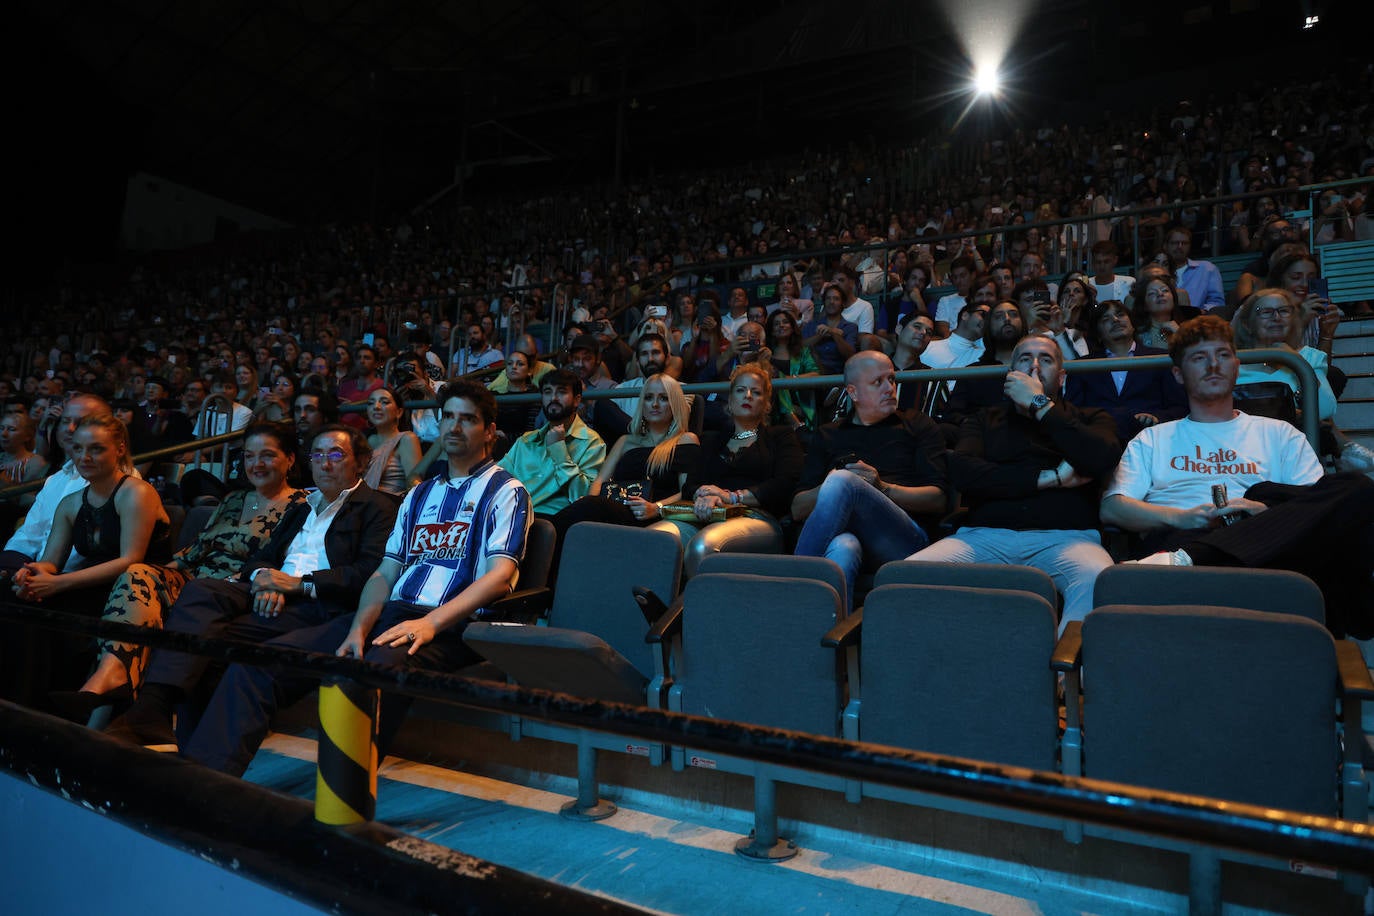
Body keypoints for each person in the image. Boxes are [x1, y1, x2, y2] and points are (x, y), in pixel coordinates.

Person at [181, 381, 531, 776]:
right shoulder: (419, 496)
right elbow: (385, 573)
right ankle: (202, 778)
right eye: (448, 416)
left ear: (489, 431)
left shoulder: (507, 491)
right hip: (392, 615)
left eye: (467, 419)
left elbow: (500, 577)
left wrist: (428, 624)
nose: (454, 427)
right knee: (258, 664)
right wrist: (356, 629)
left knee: (367, 677)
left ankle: (339, 811)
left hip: (453, 626)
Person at [104, 425, 398, 749]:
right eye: (317, 455)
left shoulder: (379, 506)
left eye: (336, 455)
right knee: (203, 590)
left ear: (361, 463)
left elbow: (368, 572)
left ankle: (179, 741)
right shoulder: (304, 507)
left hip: (315, 601)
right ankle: (155, 711)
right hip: (269, 594)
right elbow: (262, 558)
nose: (324, 463)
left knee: (209, 645)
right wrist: (264, 579)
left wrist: (297, 585)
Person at [1100, 316, 1374, 639]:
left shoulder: (1280, 433)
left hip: (1265, 550)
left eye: (1223, 355)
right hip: (1182, 538)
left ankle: (1191, 560)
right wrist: (1186, 518)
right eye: (1199, 358)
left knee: (1350, 488)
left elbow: (1313, 509)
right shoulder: (1153, 439)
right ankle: (1191, 555)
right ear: (1177, 374)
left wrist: (1266, 515)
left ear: (1237, 365)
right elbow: (1113, 509)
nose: (1213, 365)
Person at [49, 422, 308, 721]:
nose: (256, 464)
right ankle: (109, 684)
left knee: (140, 598)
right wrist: (152, 579)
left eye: (267, 456)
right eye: (249, 456)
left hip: (231, 592)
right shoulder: (233, 499)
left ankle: (100, 705)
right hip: (194, 581)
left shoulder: (301, 505)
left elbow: (291, 562)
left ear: (289, 459)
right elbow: (193, 552)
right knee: (137, 577)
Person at [907, 336, 1122, 631]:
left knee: (1099, 582)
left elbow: (1102, 457)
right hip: (984, 536)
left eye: (1045, 360)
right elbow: (965, 473)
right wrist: (1049, 479)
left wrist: (1040, 405)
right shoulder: (983, 419)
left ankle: (1064, 677)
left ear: (1061, 377)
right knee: (906, 576)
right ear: (1011, 374)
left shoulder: (1089, 418)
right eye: (1025, 359)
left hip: (1066, 537)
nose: (1034, 365)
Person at [791, 352, 948, 610]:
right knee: (844, 546)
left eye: (892, 380)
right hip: (844, 533)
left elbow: (938, 499)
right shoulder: (829, 434)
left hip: (904, 540)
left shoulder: (918, 425)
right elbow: (798, 508)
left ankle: (791, 590)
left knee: (844, 482)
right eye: (878, 382)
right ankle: (828, 639)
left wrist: (881, 487)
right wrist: (832, 485)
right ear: (853, 392)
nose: (890, 389)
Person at [12, 414, 170, 621]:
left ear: (120, 449)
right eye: (77, 448)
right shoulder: (70, 503)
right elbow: (51, 562)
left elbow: (130, 560)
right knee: (18, 599)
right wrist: (32, 574)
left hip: (140, 589)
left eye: (96, 449)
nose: (84, 457)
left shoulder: (136, 492)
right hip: (91, 586)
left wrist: (58, 583)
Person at [652, 366, 803, 577]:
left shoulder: (781, 436)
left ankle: (703, 609)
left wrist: (730, 497)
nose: (748, 395)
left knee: (703, 546)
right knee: (656, 538)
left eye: (756, 392)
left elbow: (785, 484)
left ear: (766, 404)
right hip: (706, 515)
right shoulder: (711, 440)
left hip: (758, 518)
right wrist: (705, 494)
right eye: (741, 390)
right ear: (730, 400)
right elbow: (689, 487)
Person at [548, 374, 700, 575]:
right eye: (648, 398)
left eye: (663, 398)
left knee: (584, 511)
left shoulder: (686, 440)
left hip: (651, 513)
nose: (654, 404)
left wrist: (656, 508)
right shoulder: (626, 441)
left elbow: (687, 492)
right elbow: (600, 482)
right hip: (618, 508)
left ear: (675, 404)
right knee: (583, 512)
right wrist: (589, 500)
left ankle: (541, 550)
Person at [1, 395, 117, 578]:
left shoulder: (121, 482)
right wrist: (10, 568)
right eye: (65, 421)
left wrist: (37, 577)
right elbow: (28, 535)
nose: (70, 429)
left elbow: (83, 557)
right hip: (37, 574)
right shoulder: (56, 479)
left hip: (76, 583)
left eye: (81, 422)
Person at [1064, 299, 1187, 441]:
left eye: (1120, 314)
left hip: (1153, 439)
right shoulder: (1083, 366)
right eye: (1106, 319)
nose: (1115, 320)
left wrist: (1157, 418)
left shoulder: (1160, 358)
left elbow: (1180, 407)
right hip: (1099, 443)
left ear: (1133, 324)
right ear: (1098, 334)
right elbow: (1073, 412)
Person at [498, 369, 606, 516]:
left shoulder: (592, 443)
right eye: (548, 392)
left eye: (561, 392)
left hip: (554, 523)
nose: (553, 398)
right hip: (514, 517)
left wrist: (560, 452)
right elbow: (496, 480)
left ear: (577, 400)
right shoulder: (526, 440)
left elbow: (585, 499)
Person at [764, 308, 821, 432]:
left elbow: (815, 374)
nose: (781, 326)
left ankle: (789, 413)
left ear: (792, 326)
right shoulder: (765, 352)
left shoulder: (802, 352)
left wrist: (789, 379)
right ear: (771, 330)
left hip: (799, 400)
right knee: (775, 377)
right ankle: (790, 416)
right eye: (776, 323)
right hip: (770, 403)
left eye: (785, 322)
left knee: (779, 378)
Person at [363, 386, 425, 497]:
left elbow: (414, 488)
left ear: (399, 412)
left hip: (392, 508)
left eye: (384, 402)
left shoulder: (406, 439)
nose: (376, 407)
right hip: (363, 507)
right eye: (371, 403)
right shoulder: (366, 441)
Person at [1162, 224, 1225, 311]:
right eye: (1175, 243)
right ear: (1165, 246)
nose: (1180, 246)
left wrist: (1201, 312)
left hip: (1198, 320)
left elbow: (1217, 302)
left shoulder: (1207, 268)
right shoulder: (1158, 271)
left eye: (1184, 243)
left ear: (1189, 246)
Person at [801, 285, 859, 375]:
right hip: (812, 373)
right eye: (828, 298)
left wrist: (834, 333)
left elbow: (850, 355)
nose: (831, 302)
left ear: (842, 303)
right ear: (824, 302)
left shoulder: (850, 327)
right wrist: (820, 335)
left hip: (839, 375)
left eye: (836, 299)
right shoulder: (812, 325)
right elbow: (801, 346)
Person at [336, 344, 384, 432]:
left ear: (376, 363)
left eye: (367, 358)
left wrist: (353, 407)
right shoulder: (345, 386)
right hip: (344, 431)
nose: (362, 361)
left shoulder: (383, 387)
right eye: (359, 358)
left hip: (371, 433)